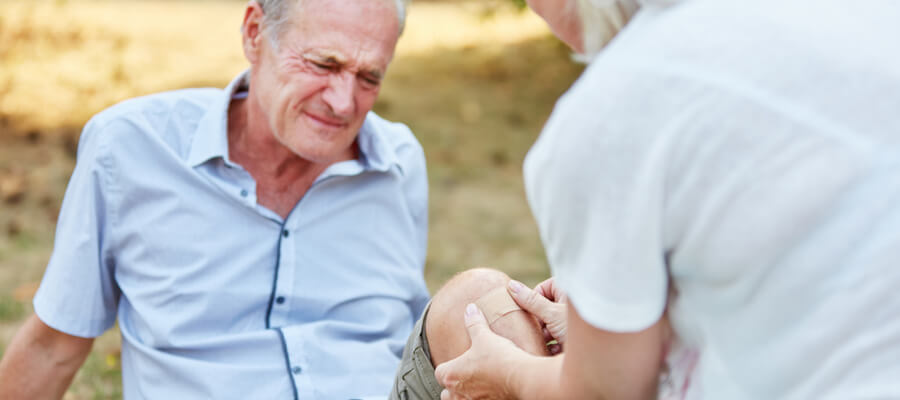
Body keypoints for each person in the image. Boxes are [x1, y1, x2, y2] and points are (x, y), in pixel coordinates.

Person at [435, 0, 900, 399]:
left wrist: (506, 370)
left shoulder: (612, 114)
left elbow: (604, 393)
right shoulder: (863, 17)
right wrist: (620, 327)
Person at [0, 0, 434, 398]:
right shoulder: (130, 149)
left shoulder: (399, 163)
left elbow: (419, 349)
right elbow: (54, 344)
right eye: (323, 64)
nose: (343, 103)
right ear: (254, 33)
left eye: (368, 77)